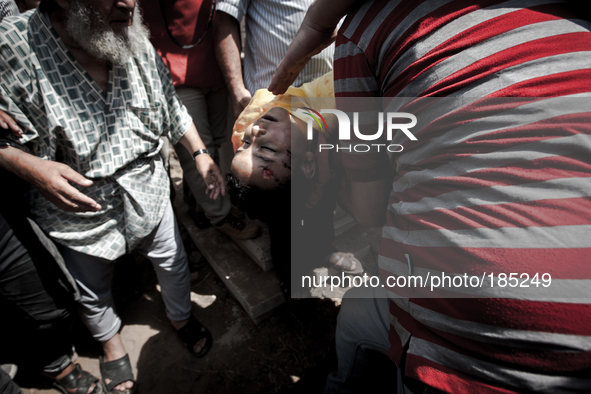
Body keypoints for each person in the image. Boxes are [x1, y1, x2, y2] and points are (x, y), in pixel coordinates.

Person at [270, 0, 591, 393]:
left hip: (459, 348)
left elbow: (371, 210)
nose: (261, 142)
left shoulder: (365, 30)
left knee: (357, 313)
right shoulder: (568, 15)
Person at [0, 0, 224, 392]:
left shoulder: (130, 32)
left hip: (148, 191)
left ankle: (180, 318)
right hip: (74, 210)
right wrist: (30, 168)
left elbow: (170, 105)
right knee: (90, 288)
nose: (129, 2)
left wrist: (201, 154)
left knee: (172, 263)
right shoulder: (12, 46)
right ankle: (111, 345)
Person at [141, 0, 260, 239]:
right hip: (177, 76)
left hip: (218, 69)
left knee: (224, 144)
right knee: (197, 151)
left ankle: (216, 202)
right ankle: (220, 216)